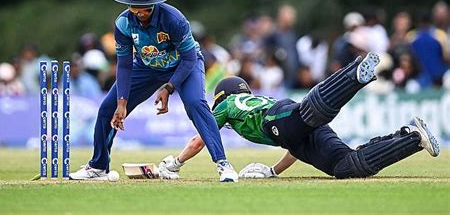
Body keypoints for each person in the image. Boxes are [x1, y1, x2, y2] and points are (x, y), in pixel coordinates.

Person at [158, 53, 440, 180]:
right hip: (293, 128)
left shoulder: (226, 105)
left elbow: (201, 138)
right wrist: (272, 172)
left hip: (280, 118)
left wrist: (176, 161)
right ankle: (412, 137)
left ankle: (354, 74)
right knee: (346, 167)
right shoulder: (257, 100)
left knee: (309, 112)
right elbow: (293, 144)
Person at [69, 0, 238, 182]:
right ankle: (98, 167)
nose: (140, 13)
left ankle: (223, 164)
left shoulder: (173, 19)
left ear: (154, 3)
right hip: (147, 67)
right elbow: (124, 65)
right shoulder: (123, 23)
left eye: (145, 8)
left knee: (196, 103)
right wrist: (122, 103)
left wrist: (169, 87)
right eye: (134, 8)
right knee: (108, 108)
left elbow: (189, 58)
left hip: (183, 65)